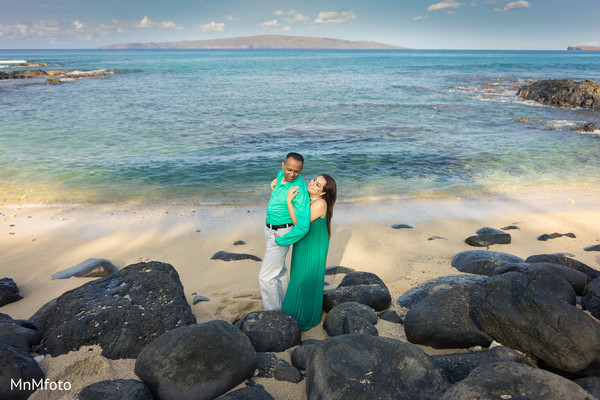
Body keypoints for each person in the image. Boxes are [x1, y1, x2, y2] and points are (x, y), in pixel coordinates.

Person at [280, 174, 337, 331]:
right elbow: (284, 180)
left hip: (314, 244)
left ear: (323, 192)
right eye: (314, 180)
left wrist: (289, 202)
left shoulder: (320, 203)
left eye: (318, 184)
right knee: (298, 276)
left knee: (304, 279)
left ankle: (303, 317)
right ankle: (296, 314)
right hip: (303, 240)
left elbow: (299, 223)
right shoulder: (307, 197)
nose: (312, 183)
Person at [259, 153, 311, 311]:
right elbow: (279, 176)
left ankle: (274, 314)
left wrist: (281, 240)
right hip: (269, 229)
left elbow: (303, 226)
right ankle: (287, 304)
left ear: (301, 170)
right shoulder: (282, 175)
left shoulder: (298, 191)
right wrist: (273, 183)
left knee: (266, 277)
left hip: (281, 234)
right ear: (283, 166)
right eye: (289, 169)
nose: (292, 174)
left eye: (296, 171)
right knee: (280, 270)